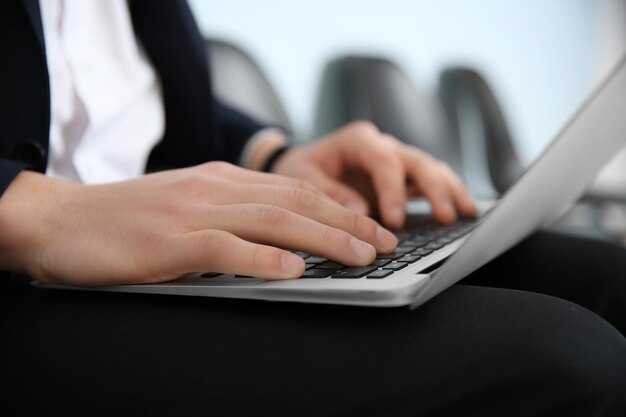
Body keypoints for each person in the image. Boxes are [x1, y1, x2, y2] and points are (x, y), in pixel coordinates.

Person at [1, 1, 624, 416]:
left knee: (607, 279)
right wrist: (41, 212)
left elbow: (150, 99)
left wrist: (272, 154)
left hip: (173, 247)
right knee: (567, 358)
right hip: (24, 277)